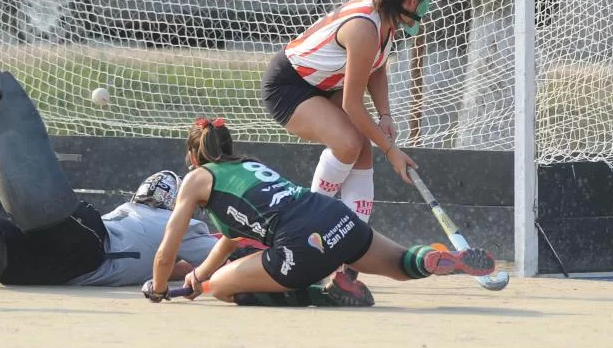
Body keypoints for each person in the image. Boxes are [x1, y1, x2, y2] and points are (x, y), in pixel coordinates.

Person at [0, 54, 217, 287]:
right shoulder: (182, 224)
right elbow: (218, 259)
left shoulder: (130, 214)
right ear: (175, 202)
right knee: (39, 217)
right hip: (85, 256)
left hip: (59, 265)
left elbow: (159, 259)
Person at [146, 118, 495, 307]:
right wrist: (197, 277)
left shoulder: (196, 179)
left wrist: (160, 288)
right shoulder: (248, 166)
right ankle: (431, 258)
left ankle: (326, 294)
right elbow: (229, 240)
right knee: (403, 266)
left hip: (302, 244)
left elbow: (166, 252)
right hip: (336, 217)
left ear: (193, 158)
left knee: (220, 289)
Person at [260, 0, 438, 287]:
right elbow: (353, 105)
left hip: (323, 82)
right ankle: (307, 234)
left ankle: (350, 255)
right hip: (289, 85)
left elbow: (376, 67)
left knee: (362, 149)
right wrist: (392, 151)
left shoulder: (386, 15)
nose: (427, 7)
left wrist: (385, 115)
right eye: (427, 0)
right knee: (348, 143)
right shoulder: (364, 28)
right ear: (412, 2)